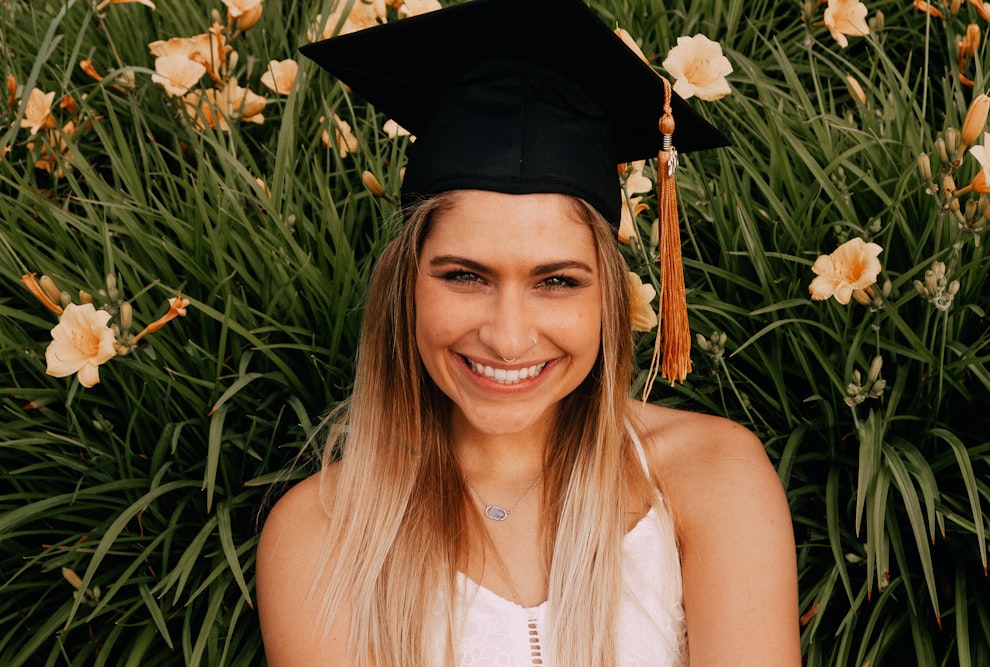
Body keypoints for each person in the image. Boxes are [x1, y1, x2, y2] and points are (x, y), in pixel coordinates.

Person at [256, 0, 800, 664]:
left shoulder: (710, 478)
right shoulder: (323, 533)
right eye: (464, 275)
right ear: (405, 285)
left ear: (608, 293)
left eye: (557, 281)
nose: (509, 339)